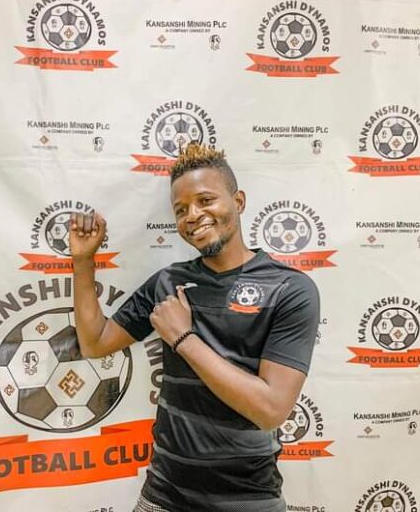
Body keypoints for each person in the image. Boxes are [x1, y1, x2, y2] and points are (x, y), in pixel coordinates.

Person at [70, 144, 320, 512]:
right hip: (163, 496)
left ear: (238, 201)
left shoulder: (290, 288)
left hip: (248, 499)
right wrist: (83, 261)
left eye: (205, 200)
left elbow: (271, 409)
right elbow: (95, 343)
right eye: (181, 209)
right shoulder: (168, 283)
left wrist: (183, 338)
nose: (193, 215)